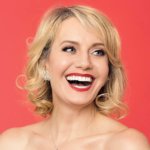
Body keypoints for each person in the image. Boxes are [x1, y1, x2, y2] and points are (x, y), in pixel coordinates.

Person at [0, 5, 149, 150]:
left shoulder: (126, 144)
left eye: (98, 52)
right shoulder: (12, 144)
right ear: (44, 63)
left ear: (109, 68)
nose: (84, 63)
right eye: (69, 49)